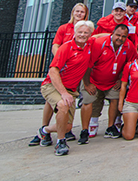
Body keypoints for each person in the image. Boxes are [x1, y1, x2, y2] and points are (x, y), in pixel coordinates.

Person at [33, 20, 95, 156]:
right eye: (80, 32)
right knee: (62, 105)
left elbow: (101, 37)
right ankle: (61, 143)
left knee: (67, 127)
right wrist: (63, 93)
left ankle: (44, 131)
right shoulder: (66, 48)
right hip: (53, 86)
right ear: (75, 32)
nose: (82, 35)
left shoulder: (89, 45)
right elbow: (53, 71)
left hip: (71, 90)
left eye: (86, 33)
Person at [79, 24, 135, 143]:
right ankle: (85, 129)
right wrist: (87, 83)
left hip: (113, 81)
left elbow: (130, 64)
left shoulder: (129, 46)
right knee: (89, 101)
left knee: (115, 98)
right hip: (93, 79)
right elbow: (87, 65)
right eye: (118, 35)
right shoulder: (100, 43)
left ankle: (111, 126)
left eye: (123, 36)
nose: (120, 38)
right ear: (112, 33)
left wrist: (121, 79)